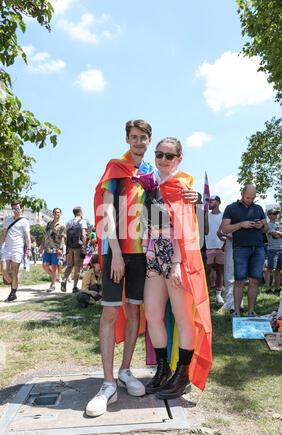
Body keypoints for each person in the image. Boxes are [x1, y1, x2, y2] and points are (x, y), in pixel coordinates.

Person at [86, 119, 199, 417]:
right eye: (133, 137)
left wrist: (197, 197)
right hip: (121, 253)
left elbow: (179, 202)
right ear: (127, 139)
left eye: (143, 138)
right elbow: (106, 210)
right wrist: (117, 252)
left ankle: (128, 371)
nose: (139, 142)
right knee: (113, 311)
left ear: (148, 140)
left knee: (139, 311)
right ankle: (108, 382)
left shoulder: (151, 172)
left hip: (147, 256)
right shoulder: (116, 168)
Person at [142, 137, 212, 400]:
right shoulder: (150, 185)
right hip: (153, 255)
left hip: (175, 254)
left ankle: (182, 376)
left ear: (179, 159)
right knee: (152, 314)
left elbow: (185, 228)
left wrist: (177, 263)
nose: (162, 159)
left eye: (169, 156)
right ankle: (163, 369)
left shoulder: (181, 186)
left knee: (183, 317)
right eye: (159, 154)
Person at [221, 185, 268, 317]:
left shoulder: (258, 208)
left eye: (253, 198)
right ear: (242, 193)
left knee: (254, 280)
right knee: (239, 280)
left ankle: (251, 311)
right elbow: (224, 229)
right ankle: (236, 311)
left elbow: (266, 229)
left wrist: (261, 225)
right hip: (240, 248)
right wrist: (241, 224)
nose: (250, 200)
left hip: (258, 248)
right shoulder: (231, 208)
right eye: (248, 197)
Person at [1, 201, 31, 302]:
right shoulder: (7, 220)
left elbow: (27, 237)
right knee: (4, 270)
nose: (16, 211)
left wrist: (29, 249)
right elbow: (4, 235)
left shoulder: (25, 221)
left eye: (17, 209)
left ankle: (13, 293)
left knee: (14, 271)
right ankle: (14, 283)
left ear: (21, 209)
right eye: (14, 209)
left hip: (18, 248)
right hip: (7, 248)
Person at [61, 207, 87, 294]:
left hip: (70, 247)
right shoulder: (82, 221)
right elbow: (83, 235)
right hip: (78, 248)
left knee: (69, 265)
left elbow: (66, 236)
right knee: (77, 267)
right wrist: (84, 246)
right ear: (79, 212)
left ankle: (64, 280)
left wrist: (67, 247)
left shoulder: (68, 222)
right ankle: (75, 287)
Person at [39, 208, 66, 292]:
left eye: (58, 212)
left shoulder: (62, 225)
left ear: (60, 214)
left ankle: (52, 284)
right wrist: (41, 246)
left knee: (54, 267)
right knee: (45, 265)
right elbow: (45, 235)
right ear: (52, 214)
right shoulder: (49, 223)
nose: (56, 213)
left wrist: (60, 248)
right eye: (54, 212)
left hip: (56, 248)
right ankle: (56, 277)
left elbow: (62, 238)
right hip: (47, 247)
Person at [205, 195, 224, 305]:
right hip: (208, 247)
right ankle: (205, 294)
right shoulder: (206, 215)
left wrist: (224, 243)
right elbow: (205, 231)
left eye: (211, 201)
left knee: (219, 272)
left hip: (221, 247)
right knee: (206, 272)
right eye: (208, 201)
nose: (209, 202)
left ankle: (218, 296)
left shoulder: (224, 216)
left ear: (218, 202)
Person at [265, 209, 282, 293]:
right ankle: (267, 288)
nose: (275, 215)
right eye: (274, 213)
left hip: (281, 249)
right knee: (270, 268)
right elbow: (275, 235)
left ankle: (277, 288)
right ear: (269, 215)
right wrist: (279, 233)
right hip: (272, 249)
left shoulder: (279, 225)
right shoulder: (268, 225)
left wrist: (279, 233)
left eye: (276, 213)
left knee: (278, 269)